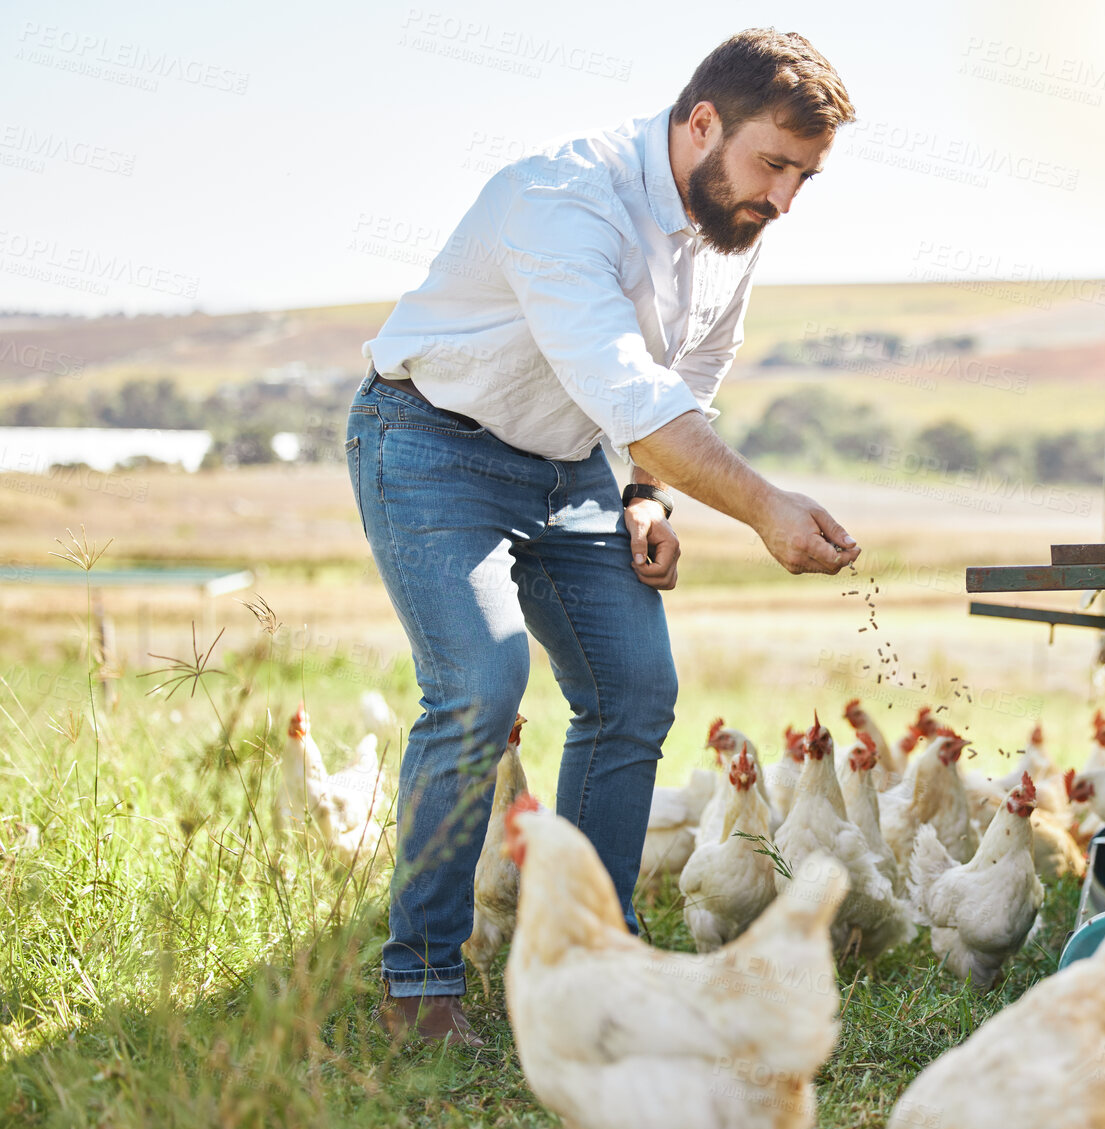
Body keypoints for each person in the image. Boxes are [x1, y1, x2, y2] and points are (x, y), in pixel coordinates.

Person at [345, 28, 859, 1046]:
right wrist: (762, 507)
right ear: (699, 122)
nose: (785, 199)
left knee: (633, 689)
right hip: (434, 443)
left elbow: (687, 382)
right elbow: (631, 390)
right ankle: (421, 985)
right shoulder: (560, 198)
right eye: (773, 164)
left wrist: (643, 497)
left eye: (805, 177)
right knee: (479, 690)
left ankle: (587, 965)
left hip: (576, 466)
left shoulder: (731, 231)